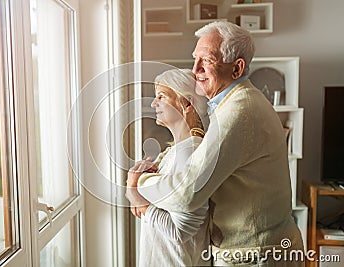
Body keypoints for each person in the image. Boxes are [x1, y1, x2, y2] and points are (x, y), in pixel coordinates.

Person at [126, 21, 304, 266]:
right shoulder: (234, 105)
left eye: (206, 60)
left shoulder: (240, 111)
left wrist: (138, 186)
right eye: (195, 58)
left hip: (257, 257)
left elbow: (188, 194)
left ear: (237, 68)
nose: (195, 69)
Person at [127, 68, 211, 266]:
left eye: (161, 96)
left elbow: (179, 231)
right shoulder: (176, 151)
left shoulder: (190, 154)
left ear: (187, 103)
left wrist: (137, 197)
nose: (153, 103)